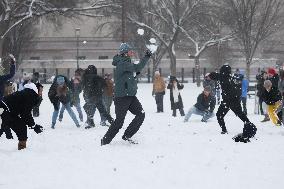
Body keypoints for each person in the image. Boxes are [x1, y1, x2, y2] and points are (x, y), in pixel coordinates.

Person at [101, 43, 152, 145]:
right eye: (130, 51)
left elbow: (128, 77)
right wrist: (146, 57)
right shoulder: (122, 63)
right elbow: (138, 67)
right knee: (119, 122)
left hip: (130, 96)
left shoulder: (125, 62)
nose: (131, 52)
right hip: (122, 97)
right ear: (125, 53)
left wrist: (134, 76)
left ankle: (127, 135)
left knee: (141, 114)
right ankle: (105, 141)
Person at [209, 64, 257, 143]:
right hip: (234, 101)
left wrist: (212, 74)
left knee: (219, 115)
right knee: (241, 115)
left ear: (222, 71)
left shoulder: (222, 77)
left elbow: (212, 75)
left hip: (228, 101)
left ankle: (224, 130)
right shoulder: (231, 77)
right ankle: (249, 125)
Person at [0, 83, 44, 150]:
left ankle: (22, 149)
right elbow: (25, 114)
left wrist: (32, 125)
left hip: (9, 112)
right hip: (3, 110)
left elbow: (24, 113)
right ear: (36, 89)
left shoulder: (28, 93)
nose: (41, 93)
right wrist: (33, 126)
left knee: (21, 127)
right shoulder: (30, 95)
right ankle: (22, 149)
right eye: (40, 91)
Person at [0, 54, 16, 139]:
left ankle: (8, 135)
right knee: (6, 118)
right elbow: (11, 74)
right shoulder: (1, 78)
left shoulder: (1, 78)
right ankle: (8, 136)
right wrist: (13, 63)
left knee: (5, 118)